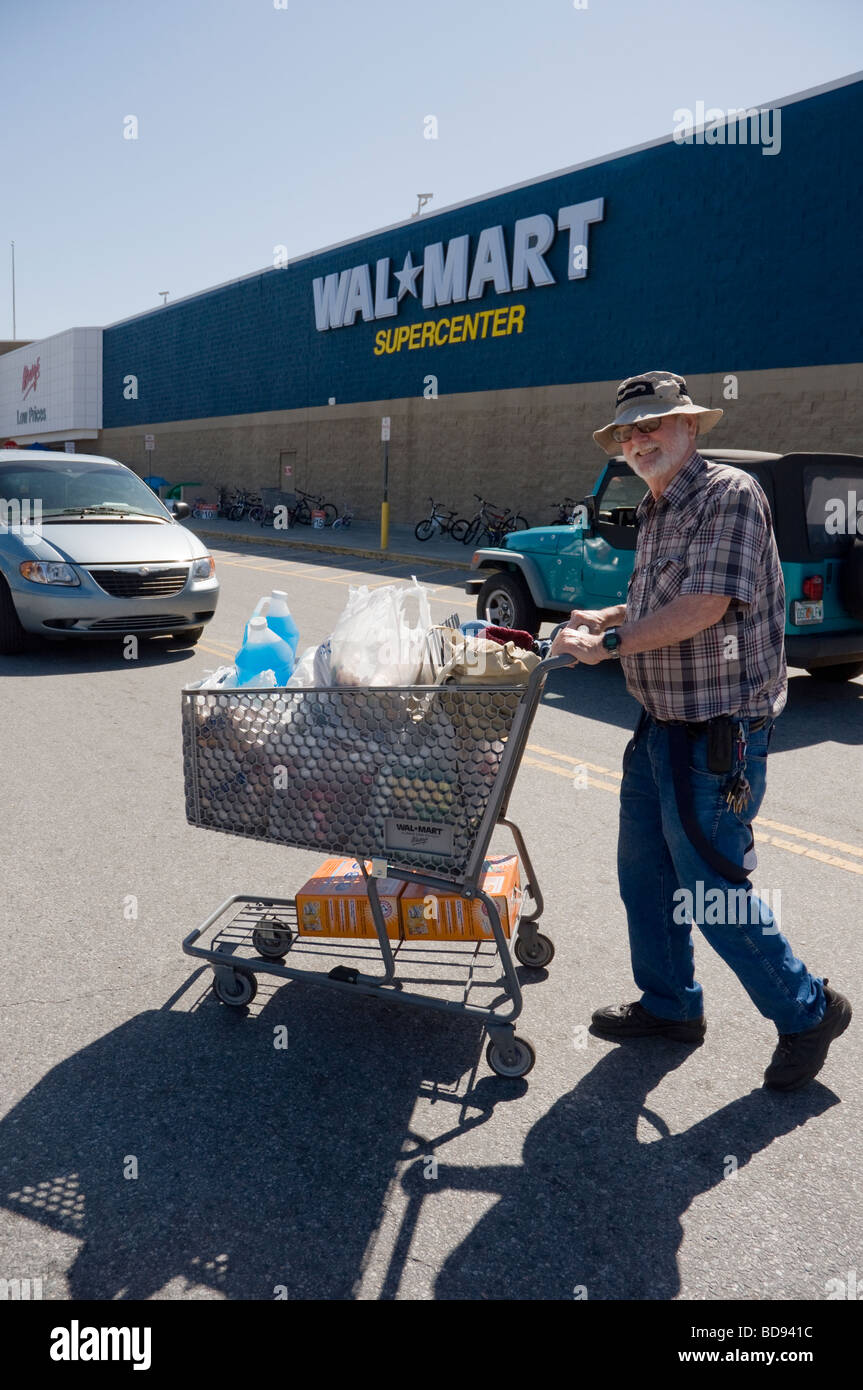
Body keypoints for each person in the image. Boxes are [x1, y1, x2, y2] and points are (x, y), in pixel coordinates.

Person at [550, 370, 851, 1091]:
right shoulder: (657, 505)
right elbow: (659, 600)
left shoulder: (727, 495)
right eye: (628, 431)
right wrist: (606, 618)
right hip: (659, 724)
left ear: (690, 426)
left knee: (710, 893)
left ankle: (808, 1011)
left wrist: (610, 649)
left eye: (653, 424)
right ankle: (670, 1006)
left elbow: (706, 605)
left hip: (717, 734)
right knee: (643, 878)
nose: (638, 438)